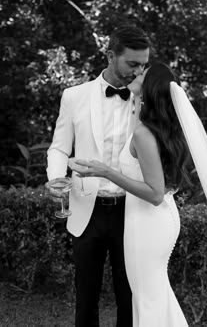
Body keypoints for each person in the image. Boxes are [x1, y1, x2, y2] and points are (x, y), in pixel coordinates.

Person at [74, 61, 207, 326]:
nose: (138, 72)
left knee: (146, 297)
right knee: (153, 295)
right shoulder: (150, 126)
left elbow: (155, 193)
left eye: (144, 73)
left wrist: (106, 172)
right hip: (154, 219)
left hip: (148, 221)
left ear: (150, 86)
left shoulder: (143, 133)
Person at [46, 24, 150, 327]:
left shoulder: (147, 99)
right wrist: (55, 178)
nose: (139, 71)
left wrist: (142, 100)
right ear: (110, 56)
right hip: (85, 210)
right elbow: (59, 148)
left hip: (132, 212)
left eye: (143, 64)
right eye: (132, 64)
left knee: (129, 297)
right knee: (86, 296)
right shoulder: (73, 96)